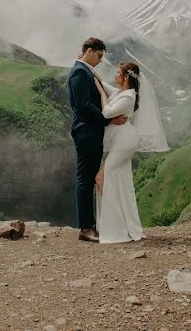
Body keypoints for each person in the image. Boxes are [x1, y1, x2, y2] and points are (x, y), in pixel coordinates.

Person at [91, 60, 170, 243]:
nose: (115, 75)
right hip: (122, 141)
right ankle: (122, 225)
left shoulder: (128, 97)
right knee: (119, 181)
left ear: (126, 76)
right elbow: (106, 86)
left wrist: (102, 93)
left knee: (102, 178)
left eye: (118, 72)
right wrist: (91, 70)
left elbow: (106, 112)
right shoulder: (122, 92)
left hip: (124, 143)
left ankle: (116, 226)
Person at [66, 38, 127, 243]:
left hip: (91, 131)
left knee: (89, 177)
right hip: (86, 131)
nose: (101, 60)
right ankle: (85, 228)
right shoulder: (79, 73)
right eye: (99, 56)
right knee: (85, 179)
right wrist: (109, 119)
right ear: (89, 51)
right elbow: (83, 105)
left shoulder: (85, 70)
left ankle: (89, 225)